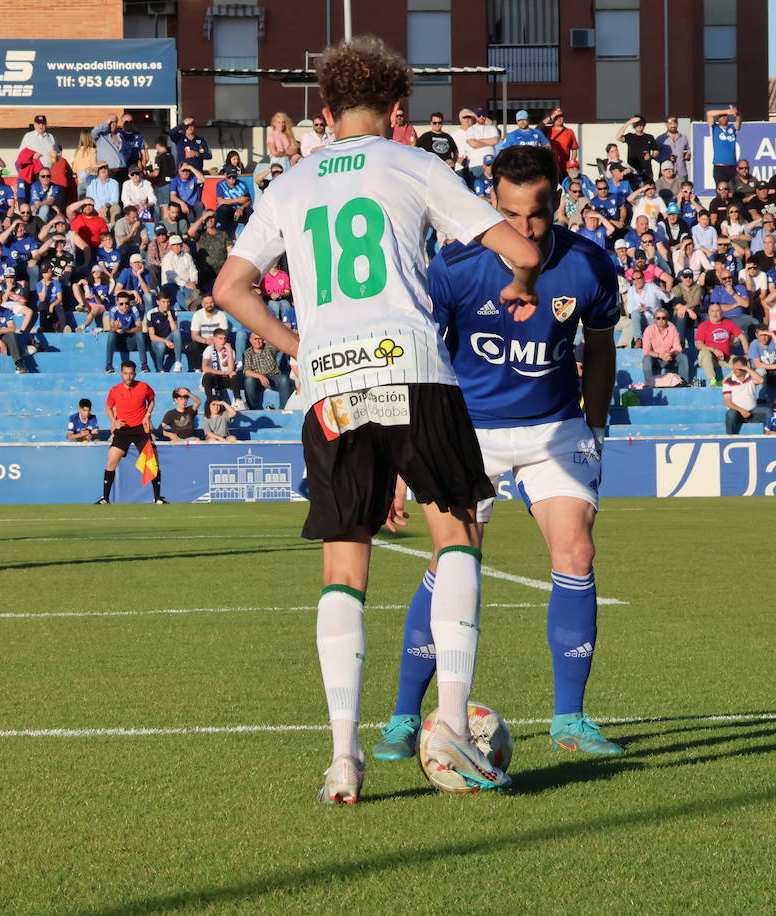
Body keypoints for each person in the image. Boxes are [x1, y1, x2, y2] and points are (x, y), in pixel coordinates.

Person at [214, 36, 540, 802]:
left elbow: (231, 287)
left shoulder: (290, 183)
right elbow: (512, 243)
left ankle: (341, 760)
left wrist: (300, 348)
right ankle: (453, 725)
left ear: (322, 116)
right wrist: (522, 281)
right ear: (398, 112)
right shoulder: (417, 163)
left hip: (330, 381)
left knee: (343, 565)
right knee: (457, 532)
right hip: (412, 366)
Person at [364, 143, 623, 763]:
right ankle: (405, 715)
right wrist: (405, 453)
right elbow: (420, 360)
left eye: (534, 215)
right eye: (508, 214)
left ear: (557, 201)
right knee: (455, 559)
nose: (521, 228)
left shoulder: (589, 265)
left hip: (554, 430)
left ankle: (571, 718)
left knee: (576, 549)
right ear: (490, 204)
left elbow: (602, 346)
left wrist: (594, 427)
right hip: (466, 430)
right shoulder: (454, 266)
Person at [99, 361, 164, 504]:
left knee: (152, 461)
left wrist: (147, 416)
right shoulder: (114, 390)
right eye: (125, 373)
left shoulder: (144, 387)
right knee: (111, 461)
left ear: (135, 373)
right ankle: (105, 498)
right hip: (123, 430)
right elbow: (108, 407)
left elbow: (151, 400)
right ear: (121, 373)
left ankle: (158, 498)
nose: (128, 377)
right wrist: (113, 421)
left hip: (140, 430)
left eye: (131, 373)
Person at [241, 332, 294, 408]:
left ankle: (284, 409)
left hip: (273, 378)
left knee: (284, 379)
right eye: (255, 339)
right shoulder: (247, 353)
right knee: (248, 380)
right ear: (250, 340)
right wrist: (260, 376)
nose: (258, 341)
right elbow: (246, 371)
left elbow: (280, 342)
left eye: (260, 339)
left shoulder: (269, 347)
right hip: (257, 381)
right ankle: (252, 408)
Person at [722, 356, 765, 434]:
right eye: (734, 367)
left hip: (752, 413)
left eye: (738, 367)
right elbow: (727, 402)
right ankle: (730, 438)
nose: (735, 370)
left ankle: (770, 438)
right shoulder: (728, 382)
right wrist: (741, 411)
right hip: (737, 413)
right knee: (730, 414)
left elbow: (761, 380)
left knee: (767, 412)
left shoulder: (750, 378)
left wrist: (747, 368)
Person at [200, 326, 242, 405]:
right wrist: (222, 372)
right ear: (214, 339)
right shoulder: (209, 349)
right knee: (207, 376)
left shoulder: (230, 350)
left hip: (224, 379)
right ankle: (210, 401)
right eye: (220, 338)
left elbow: (231, 370)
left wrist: (229, 351)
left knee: (234, 375)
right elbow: (205, 368)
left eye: (224, 338)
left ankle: (238, 401)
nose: (223, 341)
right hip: (212, 379)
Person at [104, 291, 143, 373]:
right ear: (117, 303)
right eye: (121, 304)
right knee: (111, 334)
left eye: (127, 303)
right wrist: (116, 327)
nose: (125, 306)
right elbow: (111, 327)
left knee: (139, 334)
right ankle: (109, 365)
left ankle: (144, 365)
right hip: (118, 341)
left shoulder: (133, 309)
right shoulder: (113, 309)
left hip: (130, 339)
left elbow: (139, 327)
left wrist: (126, 330)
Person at [705, 105, 741, 187]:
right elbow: (709, 113)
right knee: (721, 189)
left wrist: (737, 114)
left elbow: (739, 121)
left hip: (732, 166)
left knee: (732, 191)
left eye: (726, 116)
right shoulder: (715, 128)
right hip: (719, 166)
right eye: (721, 116)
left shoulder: (732, 128)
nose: (724, 117)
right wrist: (726, 111)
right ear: (718, 119)